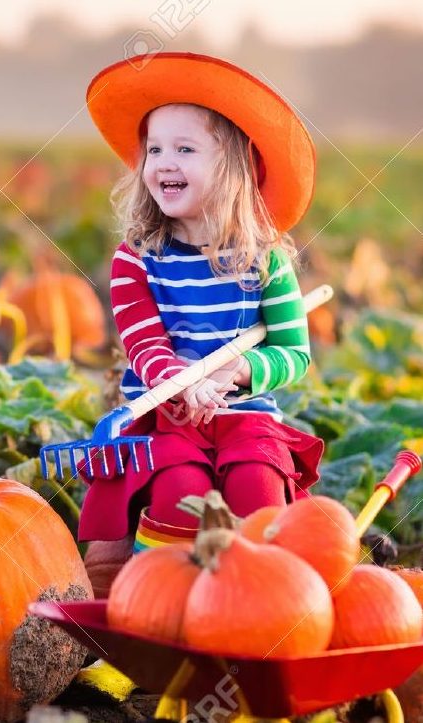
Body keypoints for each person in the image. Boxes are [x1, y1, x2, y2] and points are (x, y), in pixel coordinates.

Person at [77, 53, 324, 560]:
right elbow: (143, 344)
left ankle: (259, 593)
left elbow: (293, 352)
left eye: (184, 149)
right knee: (177, 493)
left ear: (232, 165)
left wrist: (241, 370)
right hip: (169, 414)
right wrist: (182, 381)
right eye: (154, 149)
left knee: (257, 488)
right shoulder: (137, 261)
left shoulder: (266, 260)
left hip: (246, 415)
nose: (164, 161)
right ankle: (162, 596)